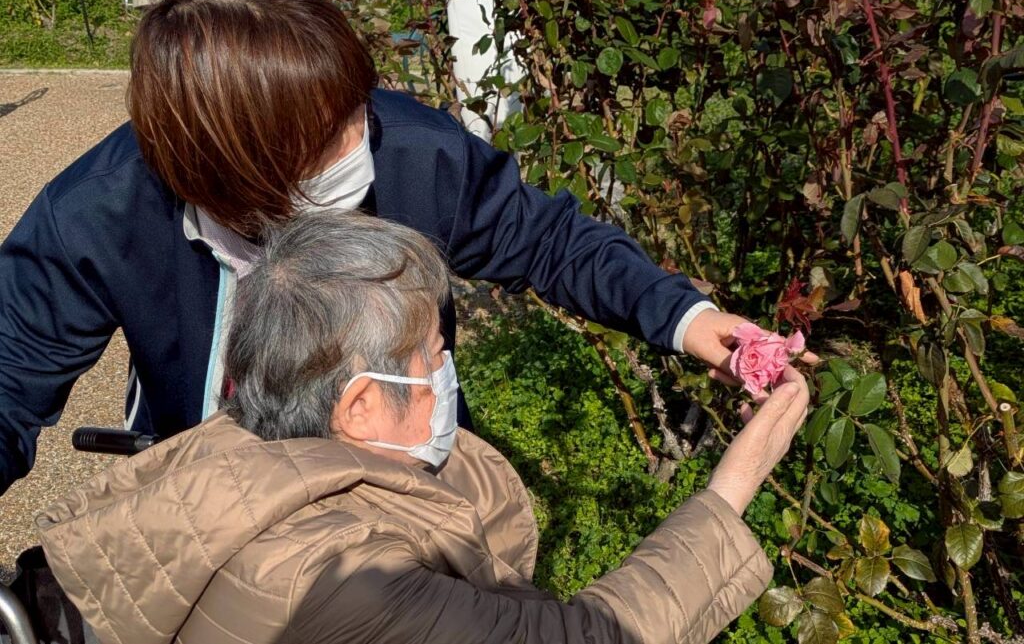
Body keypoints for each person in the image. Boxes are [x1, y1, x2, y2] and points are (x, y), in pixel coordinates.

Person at [0, 0, 761, 495]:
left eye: (354, 103)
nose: (362, 139)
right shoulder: (100, 212)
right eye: (326, 135)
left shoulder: (415, 151)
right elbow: (8, 379)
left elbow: (549, 240)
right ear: (235, 170)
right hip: (216, 483)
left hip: (404, 476)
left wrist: (684, 318)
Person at [35, 211, 810, 644]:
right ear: (359, 406)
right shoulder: (348, 581)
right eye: (434, 354)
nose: (446, 370)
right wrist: (732, 486)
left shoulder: (233, 446)